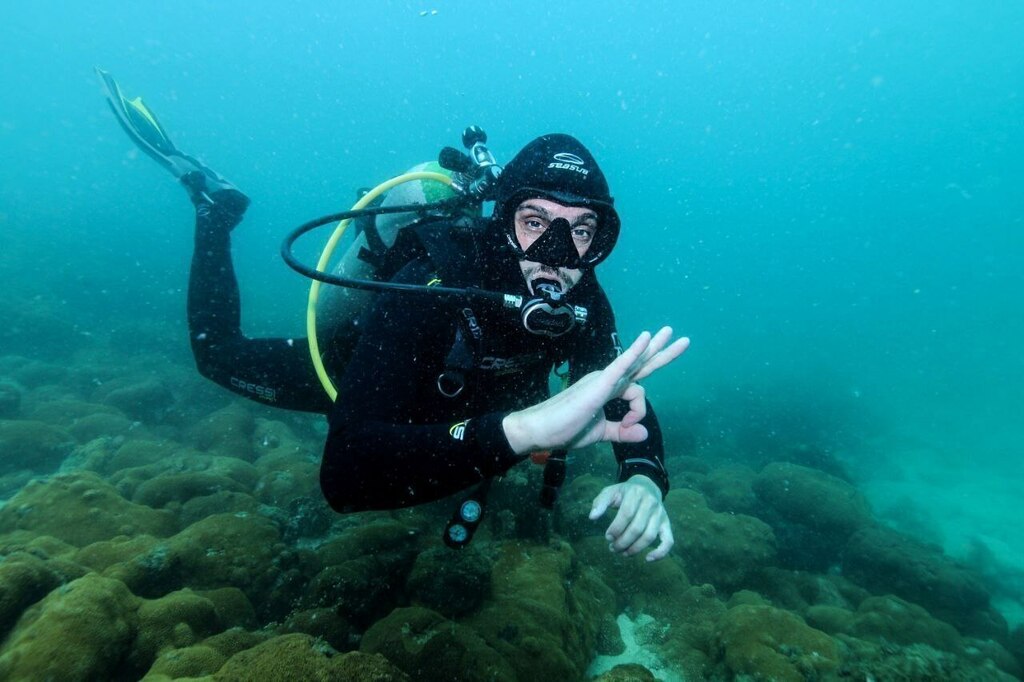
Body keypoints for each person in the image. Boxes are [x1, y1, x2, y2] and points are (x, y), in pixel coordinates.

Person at [98, 70, 689, 561]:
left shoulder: (580, 295)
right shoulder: (433, 280)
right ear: (502, 220)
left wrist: (642, 476)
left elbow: (622, 397)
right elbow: (346, 476)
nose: (556, 259)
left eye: (581, 231)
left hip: (459, 424)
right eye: (534, 222)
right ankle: (214, 208)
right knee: (215, 355)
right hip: (367, 372)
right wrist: (525, 432)